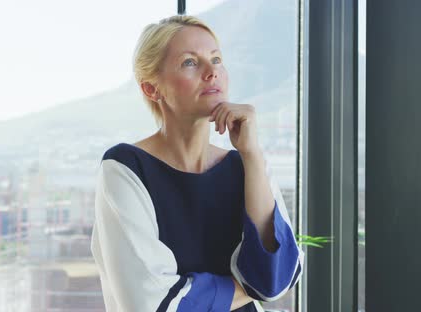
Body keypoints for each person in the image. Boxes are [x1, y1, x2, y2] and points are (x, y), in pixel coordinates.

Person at [90, 15, 304, 312]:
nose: (211, 72)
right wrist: (248, 286)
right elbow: (155, 303)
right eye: (190, 62)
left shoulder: (244, 162)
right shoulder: (125, 168)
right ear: (152, 89)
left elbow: (276, 278)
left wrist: (252, 154)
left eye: (216, 59)